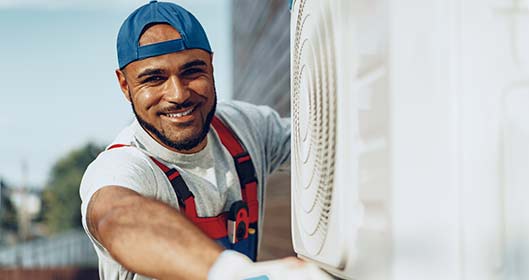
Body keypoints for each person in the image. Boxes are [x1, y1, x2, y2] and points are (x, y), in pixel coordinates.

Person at [79, 1, 332, 279]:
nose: (178, 94)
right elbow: (115, 216)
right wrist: (231, 274)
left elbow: (327, 141)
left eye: (192, 71)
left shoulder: (244, 128)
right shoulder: (123, 165)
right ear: (125, 85)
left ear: (211, 65)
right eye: (154, 79)